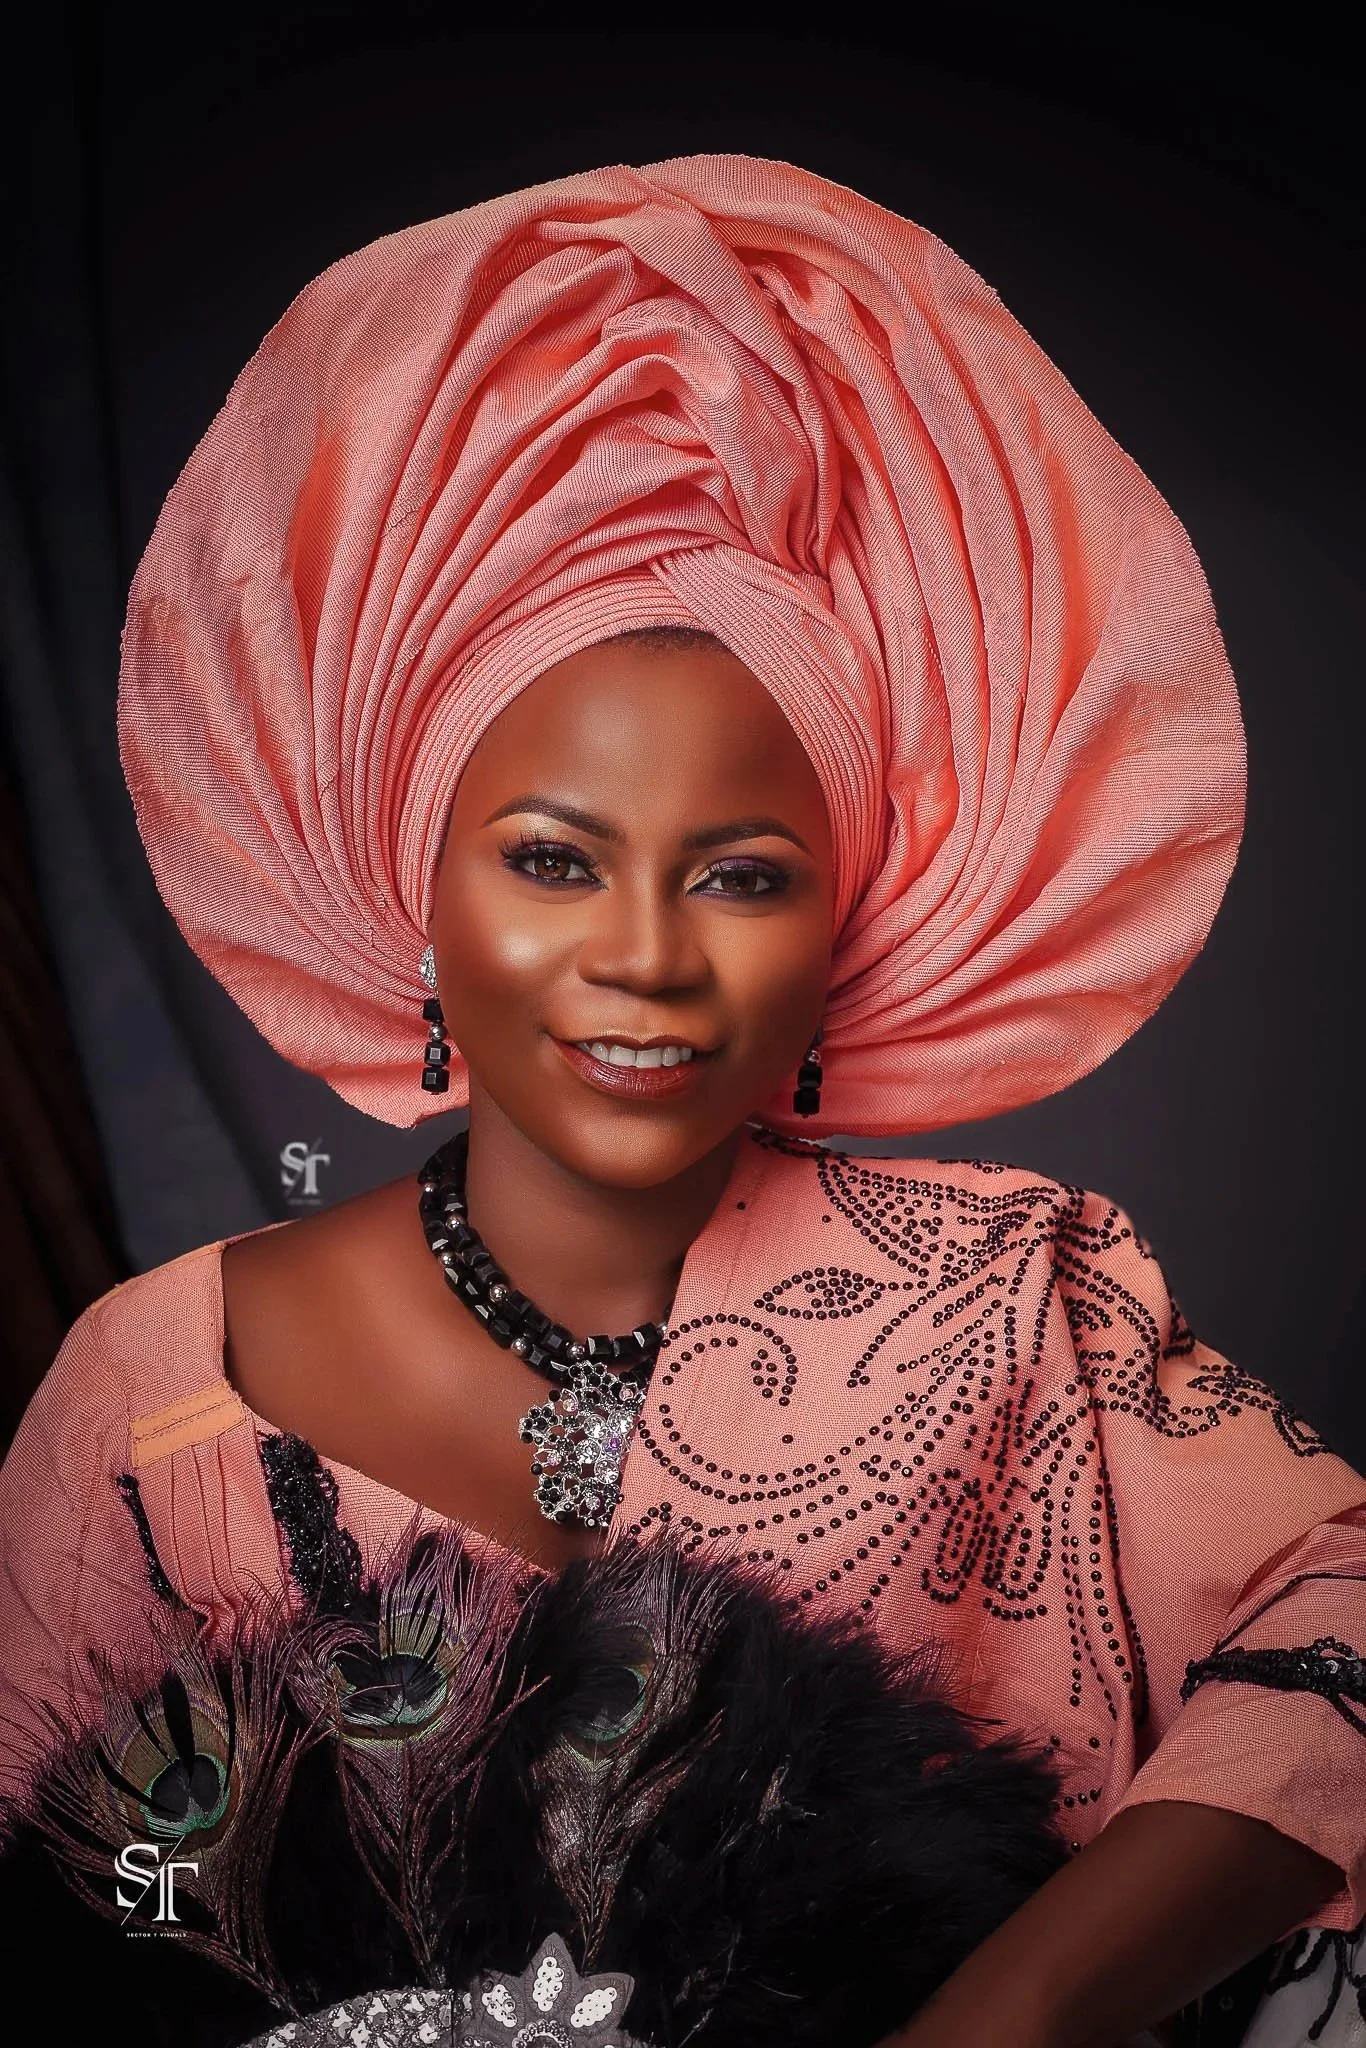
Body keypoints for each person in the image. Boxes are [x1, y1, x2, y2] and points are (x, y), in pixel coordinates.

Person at [1, 154, 1363, 2048]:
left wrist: (1020, 2009)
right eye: (551, 860)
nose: (643, 956)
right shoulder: (154, 1397)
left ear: (841, 923)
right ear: (414, 893)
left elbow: (1345, 1630)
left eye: (738, 875)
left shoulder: (1015, 1296)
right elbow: (70, 1921)